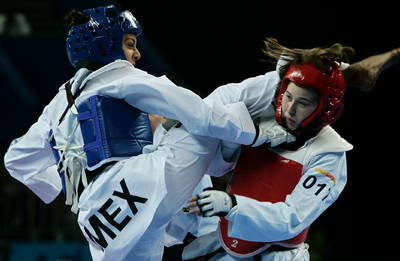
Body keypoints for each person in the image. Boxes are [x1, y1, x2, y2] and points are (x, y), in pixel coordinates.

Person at [3, 5, 295, 261]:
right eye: (130, 44)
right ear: (107, 46)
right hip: (136, 188)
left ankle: (208, 230)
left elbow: (14, 159)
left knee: (167, 139)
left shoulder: (58, 104)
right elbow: (200, 114)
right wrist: (257, 135)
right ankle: (287, 76)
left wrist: (61, 185)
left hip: (96, 221)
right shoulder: (118, 74)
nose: (137, 53)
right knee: (216, 105)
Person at [183, 39, 400, 261]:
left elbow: (293, 218)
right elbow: (217, 165)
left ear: (325, 109)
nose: (290, 109)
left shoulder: (329, 155)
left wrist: (231, 204)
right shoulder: (259, 115)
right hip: (223, 239)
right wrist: (232, 138)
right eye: (288, 97)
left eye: (303, 103)